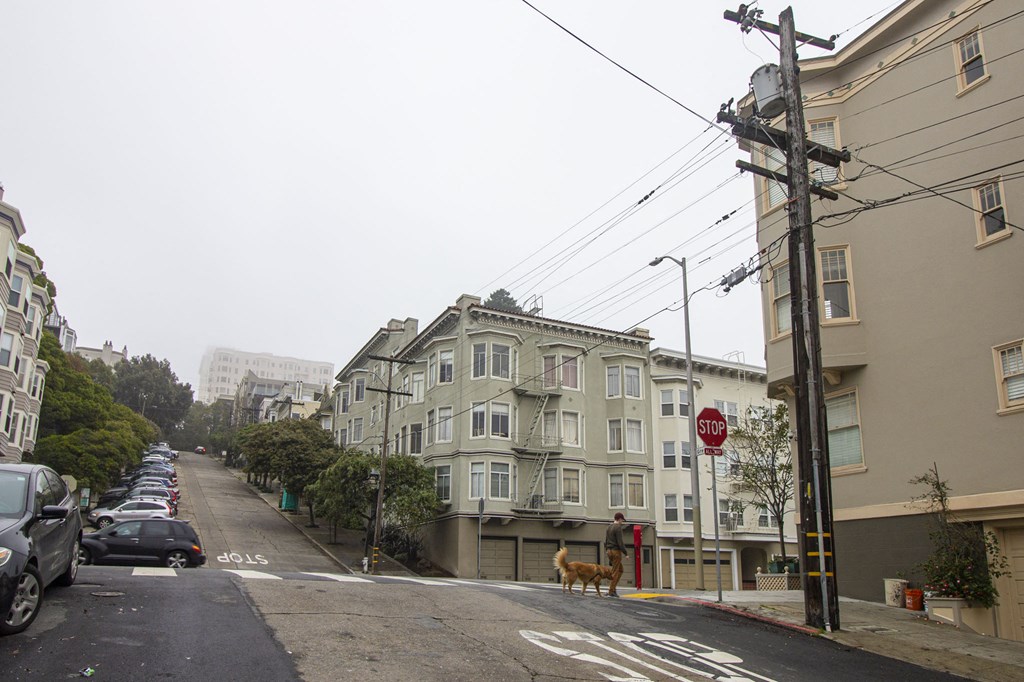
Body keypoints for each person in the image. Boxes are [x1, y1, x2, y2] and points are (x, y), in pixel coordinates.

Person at [605, 512, 628, 597]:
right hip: (616, 551)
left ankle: (613, 588)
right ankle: (611, 591)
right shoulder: (618, 527)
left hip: (609, 550)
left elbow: (606, 541)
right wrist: (625, 553)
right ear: (619, 519)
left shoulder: (609, 527)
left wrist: (607, 552)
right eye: (622, 520)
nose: (622, 522)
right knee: (615, 571)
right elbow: (620, 542)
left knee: (620, 569)